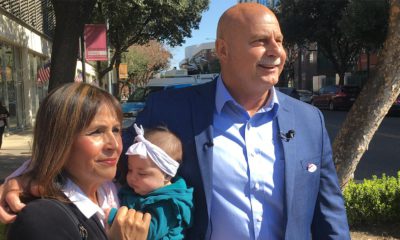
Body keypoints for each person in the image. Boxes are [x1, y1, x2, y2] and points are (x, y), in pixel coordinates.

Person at [0, 3, 350, 239]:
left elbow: (329, 213)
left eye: (279, 40)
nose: (277, 50)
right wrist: (30, 176)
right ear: (223, 51)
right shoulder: (172, 111)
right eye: (260, 41)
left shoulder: (308, 120)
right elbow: (96, 150)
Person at [6, 83, 150, 240]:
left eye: (116, 130)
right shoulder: (43, 220)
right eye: (96, 132)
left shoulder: (112, 189)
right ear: (59, 141)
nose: (114, 145)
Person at [108, 124, 194, 239]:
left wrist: (111, 216)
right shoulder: (143, 190)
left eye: (142, 173)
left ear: (167, 175)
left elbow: (149, 232)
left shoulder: (168, 204)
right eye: (130, 169)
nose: (132, 177)